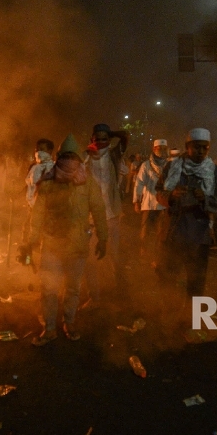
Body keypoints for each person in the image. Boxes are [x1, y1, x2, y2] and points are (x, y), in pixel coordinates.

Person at [24, 134, 108, 346]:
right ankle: (50, 328)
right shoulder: (49, 181)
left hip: (77, 246)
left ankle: (69, 323)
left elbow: (98, 210)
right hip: (52, 244)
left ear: (79, 159)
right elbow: (38, 214)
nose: (69, 160)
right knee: (49, 289)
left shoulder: (87, 182)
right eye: (66, 156)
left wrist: (103, 238)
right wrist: (31, 241)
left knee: (72, 288)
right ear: (59, 156)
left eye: (73, 156)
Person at [155, 128, 217, 312]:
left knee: (196, 281)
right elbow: (158, 192)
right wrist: (171, 195)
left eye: (205, 148)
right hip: (173, 231)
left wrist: (205, 199)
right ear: (187, 147)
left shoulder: (216, 173)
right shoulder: (172, 168)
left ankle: (189, 318)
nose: (201, 151)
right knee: (168, 277)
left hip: (199, 235)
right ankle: (167, 314)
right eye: (197, 147)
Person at [83, 123, 128, 305]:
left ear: (109, 140)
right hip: (91, 218)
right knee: (89, 257)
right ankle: (94, 295)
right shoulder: (85, 158)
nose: (101, 142)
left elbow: (125, 136)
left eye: (105, 139)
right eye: (97, 139)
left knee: (113, 255)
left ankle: (118, 290)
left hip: (111, 215)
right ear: (91, 140)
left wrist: (112, 133)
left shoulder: (114, 155)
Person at [134, 139, 169, 265]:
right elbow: (139, 183)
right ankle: (143, 254)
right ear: (154, 149)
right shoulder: (146, 165)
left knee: (161, 233)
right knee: (145, 232)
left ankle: (158, 257)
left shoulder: (170, 165)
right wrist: (137, 201)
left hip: (164, 205)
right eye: (160, 148)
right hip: (148, 204)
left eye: (164, 148)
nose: (162, 151)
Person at [25, 139, 55, 208]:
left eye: (42, 149)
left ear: (49, 151)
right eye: (37, 150)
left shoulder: (53, 167)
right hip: (32, 206)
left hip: (45, 207)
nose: (38, 152)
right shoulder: (34, 167)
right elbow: (29, 184)